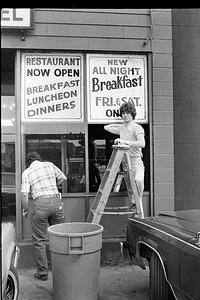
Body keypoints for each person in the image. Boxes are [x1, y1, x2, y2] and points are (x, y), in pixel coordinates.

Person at [21, 151, 67, 281]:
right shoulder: (49, 165)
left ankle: (42, 273)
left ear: (28, 162)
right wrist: (54, 186)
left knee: (39, 240)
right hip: (56, 201)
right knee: (60, 236)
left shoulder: (27, 172)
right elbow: (63, 178)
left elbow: (24, 194)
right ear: (39, 159)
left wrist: (25, 210)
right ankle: (63, 269)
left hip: (40, 204)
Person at [104, 101, 145, 218]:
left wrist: (123, 141)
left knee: (138, 180)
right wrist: (121, 127)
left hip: (136, 162)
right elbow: (106, 127)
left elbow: (142, 143)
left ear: (132, 114)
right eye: (123, 113)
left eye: (127, 113)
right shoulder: (122, 128)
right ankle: (134, 205)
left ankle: (138, 203)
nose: (125, 115)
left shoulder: (137, 127)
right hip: (125, 163)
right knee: (131, 187)